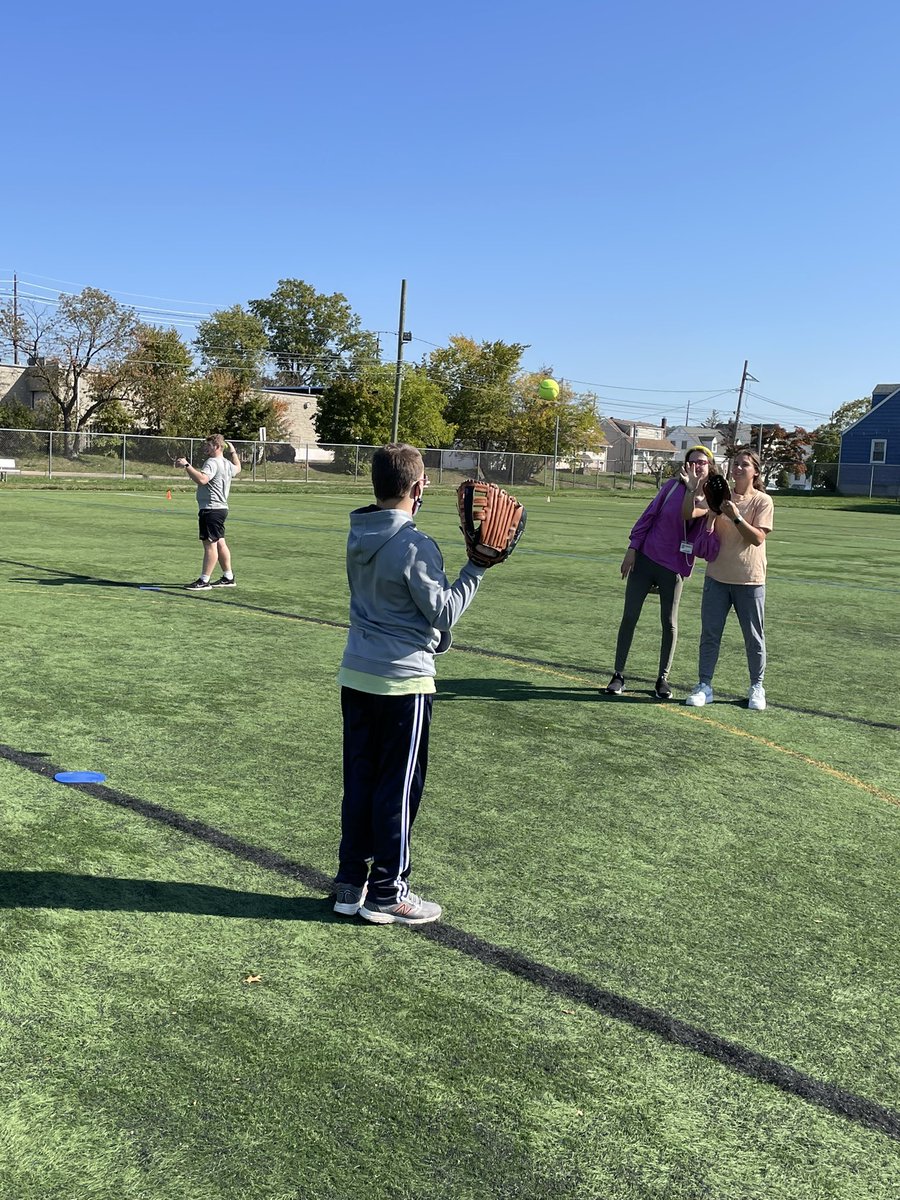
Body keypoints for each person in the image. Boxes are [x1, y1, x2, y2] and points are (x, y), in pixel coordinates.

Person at [333, 444, 487, 926]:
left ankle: (350, 882)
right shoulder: (416, 544)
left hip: (356, 674)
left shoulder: (358, 531)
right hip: (402, 681)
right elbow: (442, 611)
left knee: (360, 781)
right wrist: (477, 567)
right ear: (419, 487)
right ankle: (387, 891)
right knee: (397, 788)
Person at [605, 446, 720, 699]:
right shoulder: (671, 487)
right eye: (692, 462)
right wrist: (632, 548)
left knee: (669, 622)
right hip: (646, 558)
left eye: (702, 462)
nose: (697, 466)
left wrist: (695, 493)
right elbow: (649, 516)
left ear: (710, 466)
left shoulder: (711, 498)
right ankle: (618, 674)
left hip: (674, 567)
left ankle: (662, 679)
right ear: (686, 465)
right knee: (630, 616)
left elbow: (689, 516)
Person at [684, 447, 774, 711]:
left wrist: (735, 516)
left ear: (755, 471)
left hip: (750, 580)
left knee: (753, 637)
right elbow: (689, 514)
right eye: (735, 464)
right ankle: (704, 685)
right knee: (710, 635)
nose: (738, 468)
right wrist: (693, 490)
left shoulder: (762, 501)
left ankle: (756, 686)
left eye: (744, 464)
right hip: (717, 578)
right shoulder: (719, 495)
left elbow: (757, 538)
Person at [175, 434, 241, 590]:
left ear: (217, 447)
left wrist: (186, 465)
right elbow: (238, 468)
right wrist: (233, 452)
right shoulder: (226, 463)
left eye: (208, 445)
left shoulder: (212, 462)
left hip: (211, 509)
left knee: (210, 545)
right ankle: (228, 577)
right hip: (221, 509)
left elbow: (202, 479)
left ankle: (204, 580)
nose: (205, 448)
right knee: (220, 543)